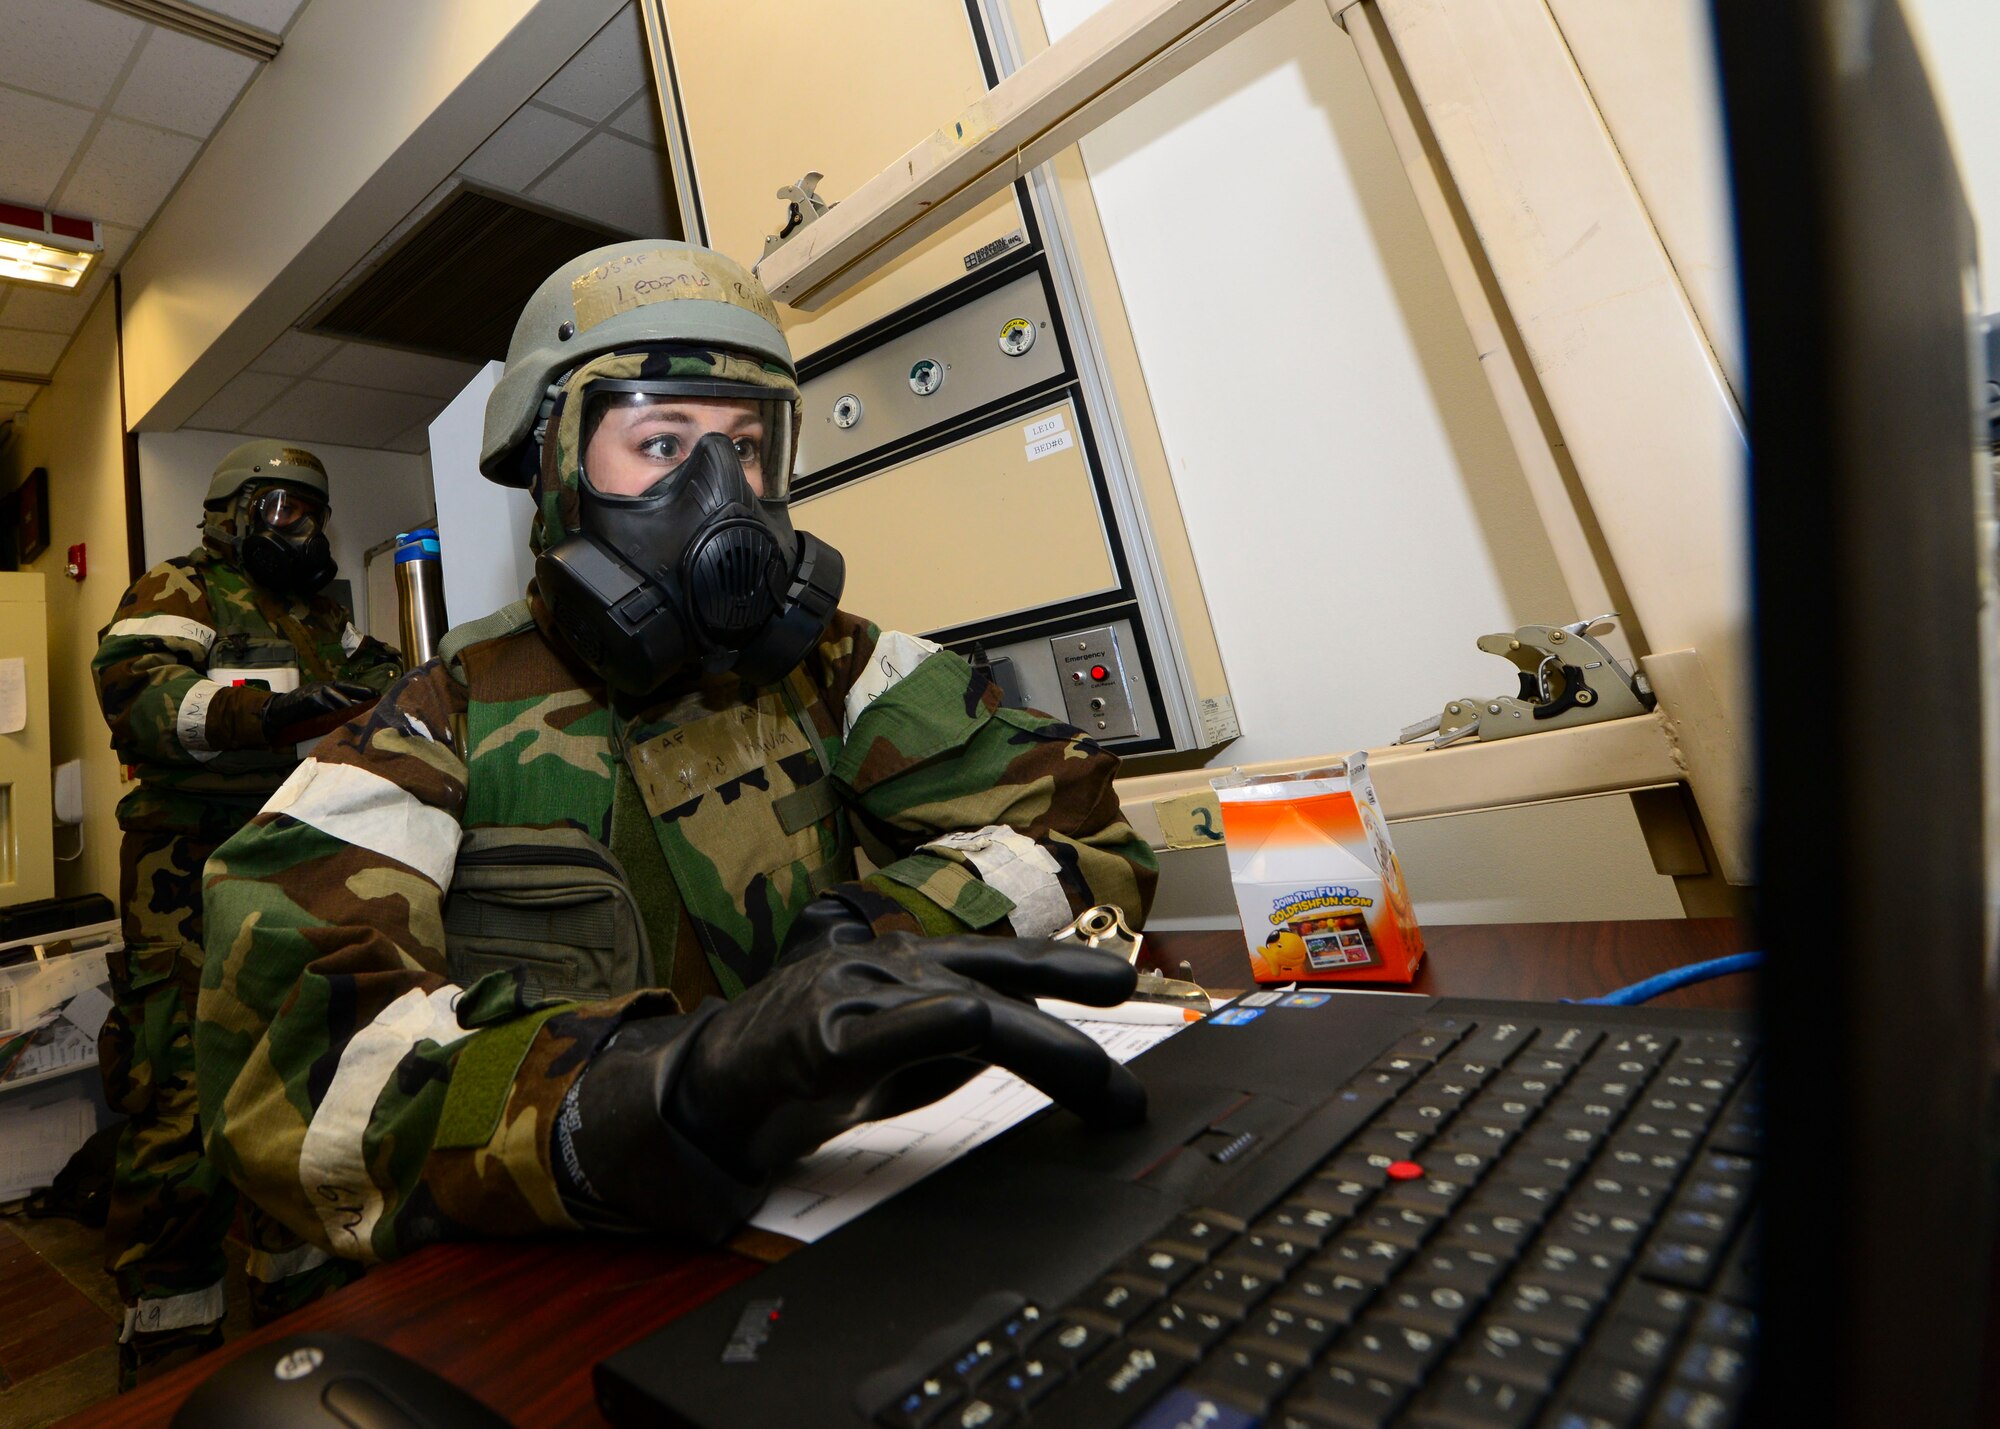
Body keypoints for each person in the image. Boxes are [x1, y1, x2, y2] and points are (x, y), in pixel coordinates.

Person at [195, 242, 1158, 1267]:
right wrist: (650, 1089)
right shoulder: (444, 713)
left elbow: (1078, 819)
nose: (721, 493)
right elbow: (279, 1066)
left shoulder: (833, 665)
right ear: (552, 466)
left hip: (841, 1222)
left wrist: (876, 937)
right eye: (660, 442)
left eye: (745, 447)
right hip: (588, 1270)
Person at [91, 440, 404, 1386]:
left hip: (291, 861)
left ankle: (301, 1306)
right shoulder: (181, 588)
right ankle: (171, 1333)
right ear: (231, 515)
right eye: (280, 511)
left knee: (292, 1068)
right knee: (179, 1088)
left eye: (312, 514)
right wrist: (260, 715)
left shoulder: (319, 615)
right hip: (186, 867)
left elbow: (389, 673)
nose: (300, 532)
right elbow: (135, 695)